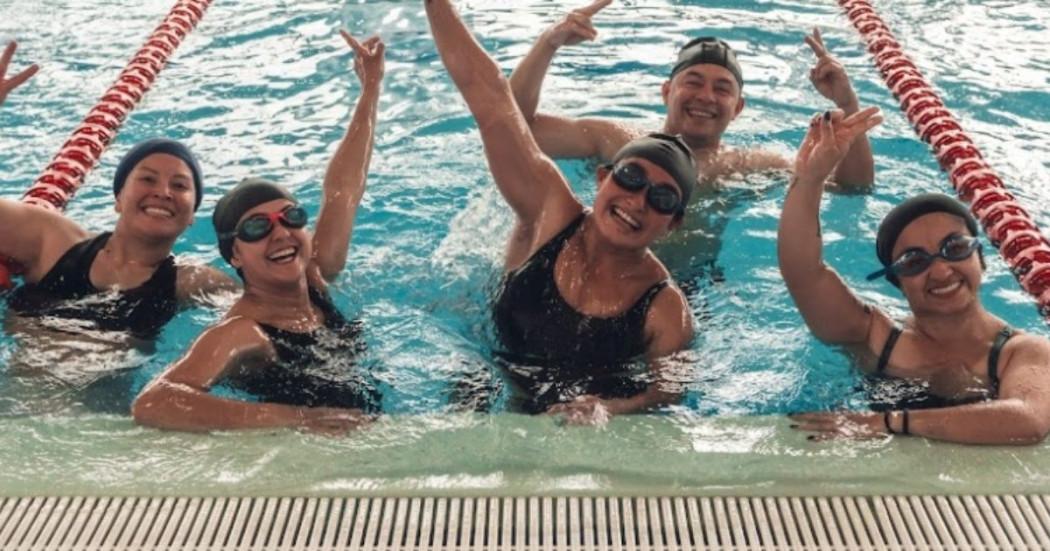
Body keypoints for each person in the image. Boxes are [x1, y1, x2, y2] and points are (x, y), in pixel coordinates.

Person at [426, 0, 694, 425]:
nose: (637, 200)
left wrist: (612, 408)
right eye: (629, 177)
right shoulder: (548, 209)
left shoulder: (665, 309)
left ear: (673, 222)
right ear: (603, 177)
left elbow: (668, 394)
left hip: (574, 419)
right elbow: (492, 102)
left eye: (662, 199)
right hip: (488, 373)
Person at [132, 31, 384, 434]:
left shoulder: (315, 276)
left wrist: (370, 90)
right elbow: (154, 403)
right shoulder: (242, 331)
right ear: (235, 255)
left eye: (291, 217)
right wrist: (298, 419)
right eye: (256, 228)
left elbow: (344, 191)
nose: (281, 233)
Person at [509, 2, 876, 276]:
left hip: (681, 290)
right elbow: (512, 128)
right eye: (693, 82)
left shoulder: (752, 165)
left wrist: (846, 102)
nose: (706, 97)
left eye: (722, 89)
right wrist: (548, 43)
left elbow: (853, 188)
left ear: (738, 108)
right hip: (586, 270)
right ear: (667, 91)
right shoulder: (612, 139)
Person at [780, 108, 1050, 445]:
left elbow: (1027, 420)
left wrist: (885, 422)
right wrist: (810, 180)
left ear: (980, 257)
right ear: (898, 281)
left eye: (955, 247)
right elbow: (803, 272)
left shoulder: (1021, 352)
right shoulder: (875, 337)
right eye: (914, 261)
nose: (939, 270)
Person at [0, 41, 236, 371]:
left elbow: (277, 309)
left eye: (180, 185)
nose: (163, 192)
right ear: (118, 199)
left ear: (191, 216)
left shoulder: (192, 282)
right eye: (148, 179)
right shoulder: (52, 240)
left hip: (104, 421)